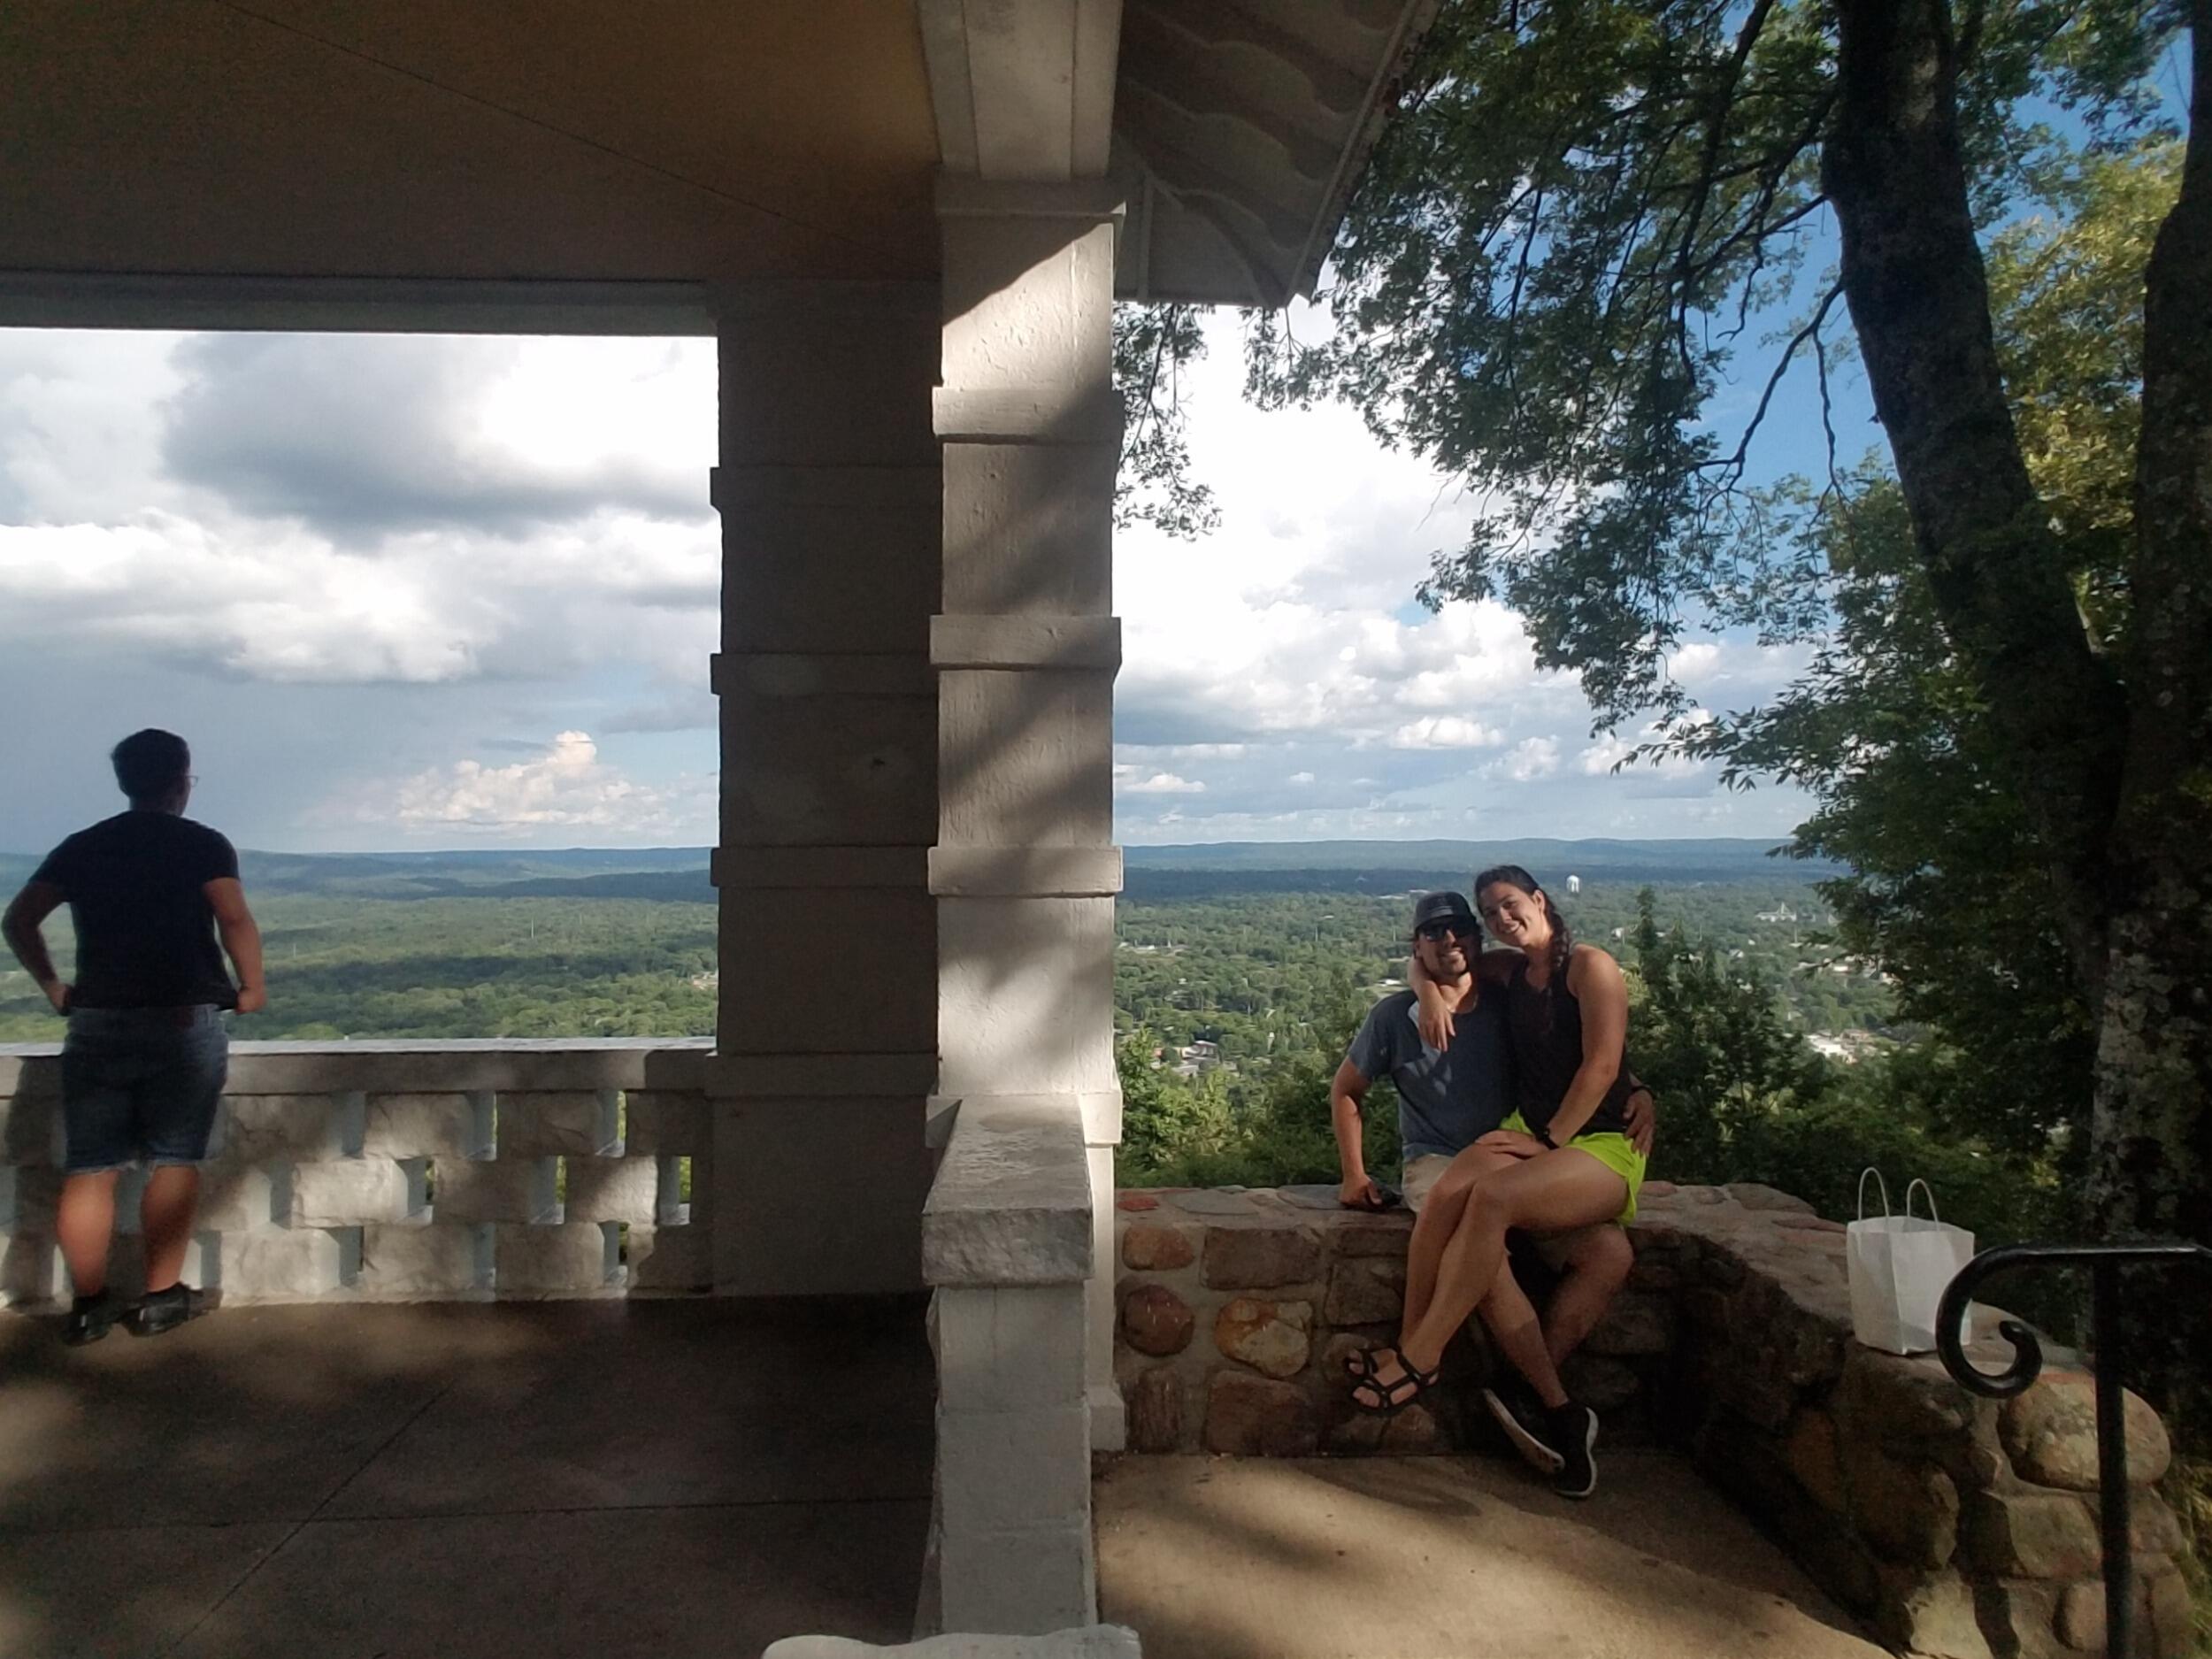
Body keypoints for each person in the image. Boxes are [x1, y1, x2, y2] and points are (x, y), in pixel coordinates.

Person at [1348, 866, 1647, 1501]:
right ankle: (1532, 1392)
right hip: (1530, 1131)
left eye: (1508, 905)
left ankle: (1423, 1357)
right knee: (1453, 1190)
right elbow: (1433, 965)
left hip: (1589, 1140)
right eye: (1490, 911)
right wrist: (1424, 994)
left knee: (1508, 1204)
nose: (1499, 919)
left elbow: (1603, 1062)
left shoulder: (1590, 965)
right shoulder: (1513, 974)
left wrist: (1557, 1136)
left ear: (1538, 900)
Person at [2, 730, 265, 1344]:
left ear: (124, 781)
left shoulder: (84, 846)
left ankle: (89, 1304)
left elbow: (18, 919)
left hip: (95, 1022)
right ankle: (160, 1297)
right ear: (182, 781)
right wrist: (251, 986)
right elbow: (232, 917)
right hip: (180, 1022)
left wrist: (52, 985)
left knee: (92, 1168)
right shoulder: (202, 844)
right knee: (174, 1159)